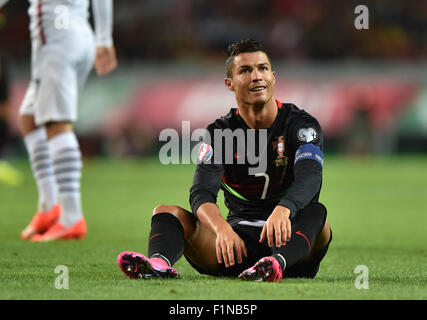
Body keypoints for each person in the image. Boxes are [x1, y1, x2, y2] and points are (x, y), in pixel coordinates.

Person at [117, 39, 332, 282]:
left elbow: (310, 177)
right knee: (165, 212)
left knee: (318, 214)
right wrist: (221, 229)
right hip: (236, 244)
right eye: (245, 71)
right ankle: (157, 265)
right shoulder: (220, 133)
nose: (256, 76)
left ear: (273, 76)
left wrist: (285, 209)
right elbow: (202, 193)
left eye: (262, 68)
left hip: (290, 238)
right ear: (229, 83)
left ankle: (274, 264)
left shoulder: (301, 125)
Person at [20, 0, 117, 241]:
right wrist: (103, 38)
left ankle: (71, 217)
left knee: (56, 123)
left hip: (57, 40)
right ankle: (48, 207)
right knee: (29, 118)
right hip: (79, 34)